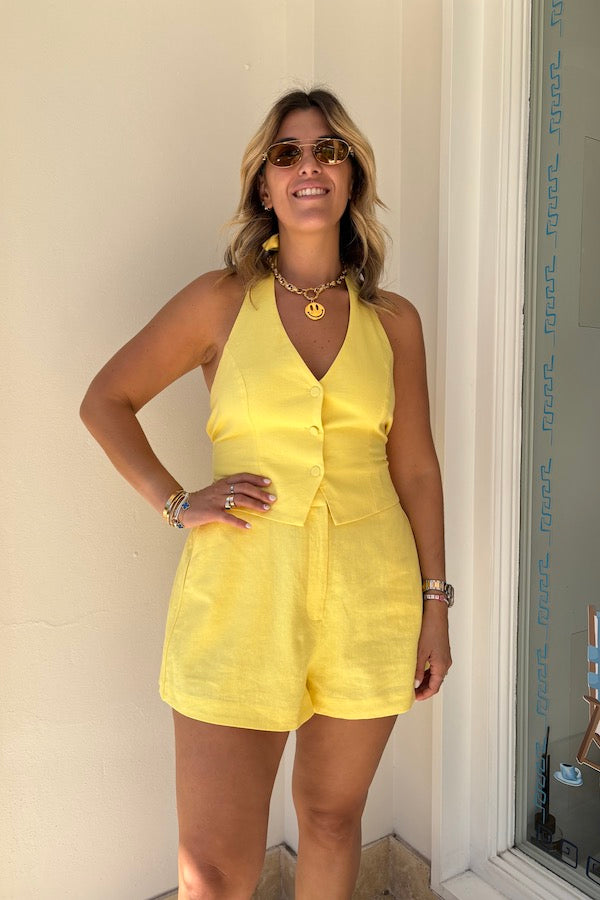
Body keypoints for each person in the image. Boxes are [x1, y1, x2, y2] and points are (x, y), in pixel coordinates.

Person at [80, 87, 452, 900]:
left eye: (328, 150)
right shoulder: (220, 301)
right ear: (264, 182)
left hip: (371, 595)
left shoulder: (394, 322)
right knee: (214, 872)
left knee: (332, 820)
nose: (308, 166)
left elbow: (418, 470)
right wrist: (177, 502)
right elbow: (106, 399)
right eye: (288, 153)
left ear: (352, 175)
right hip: (241, 597)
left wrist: (435, 605)